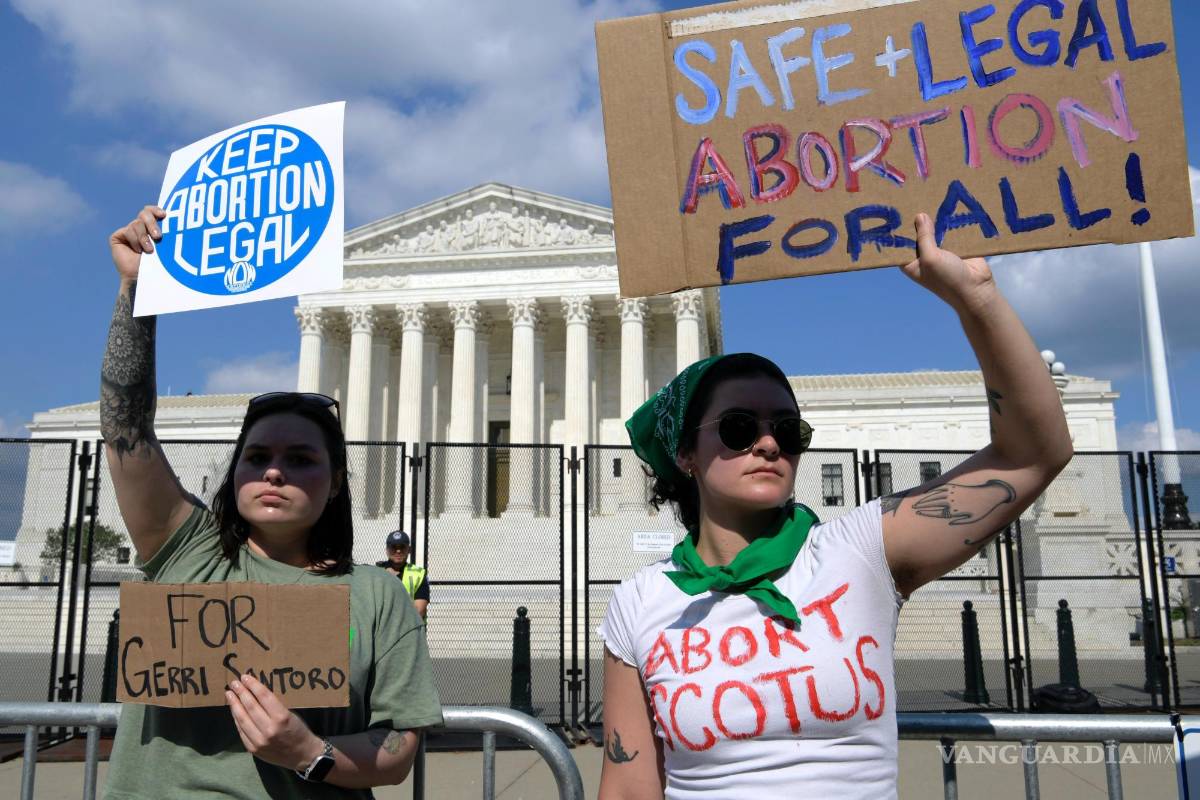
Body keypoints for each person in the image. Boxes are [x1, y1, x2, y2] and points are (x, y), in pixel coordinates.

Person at [596, 214, 1074, 799]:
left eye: (788, 429)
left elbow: (1032, 456)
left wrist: (977, 300)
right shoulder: (642, 604)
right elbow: (627, 787)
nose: (768, 443)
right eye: (740, 427)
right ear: (686, 455)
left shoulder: (858, 553)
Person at [100, 205, 443, 799]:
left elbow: (397, 751)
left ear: (335, 481)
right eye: (257, 457)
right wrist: (137, 291)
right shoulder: (188, 554)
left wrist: (308, 751)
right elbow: (126, 428)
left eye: (302, 459)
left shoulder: (376, 593)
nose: (275, 471)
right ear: (236, 473)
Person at [376, 531, 430, 620]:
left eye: (402, 547)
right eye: (393, 547)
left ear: (409, 550)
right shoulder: (376, 573)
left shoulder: (418, 574)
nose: (398, 551)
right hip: (382, 632)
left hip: (409, 630)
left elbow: (419, 611)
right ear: (387, 550)